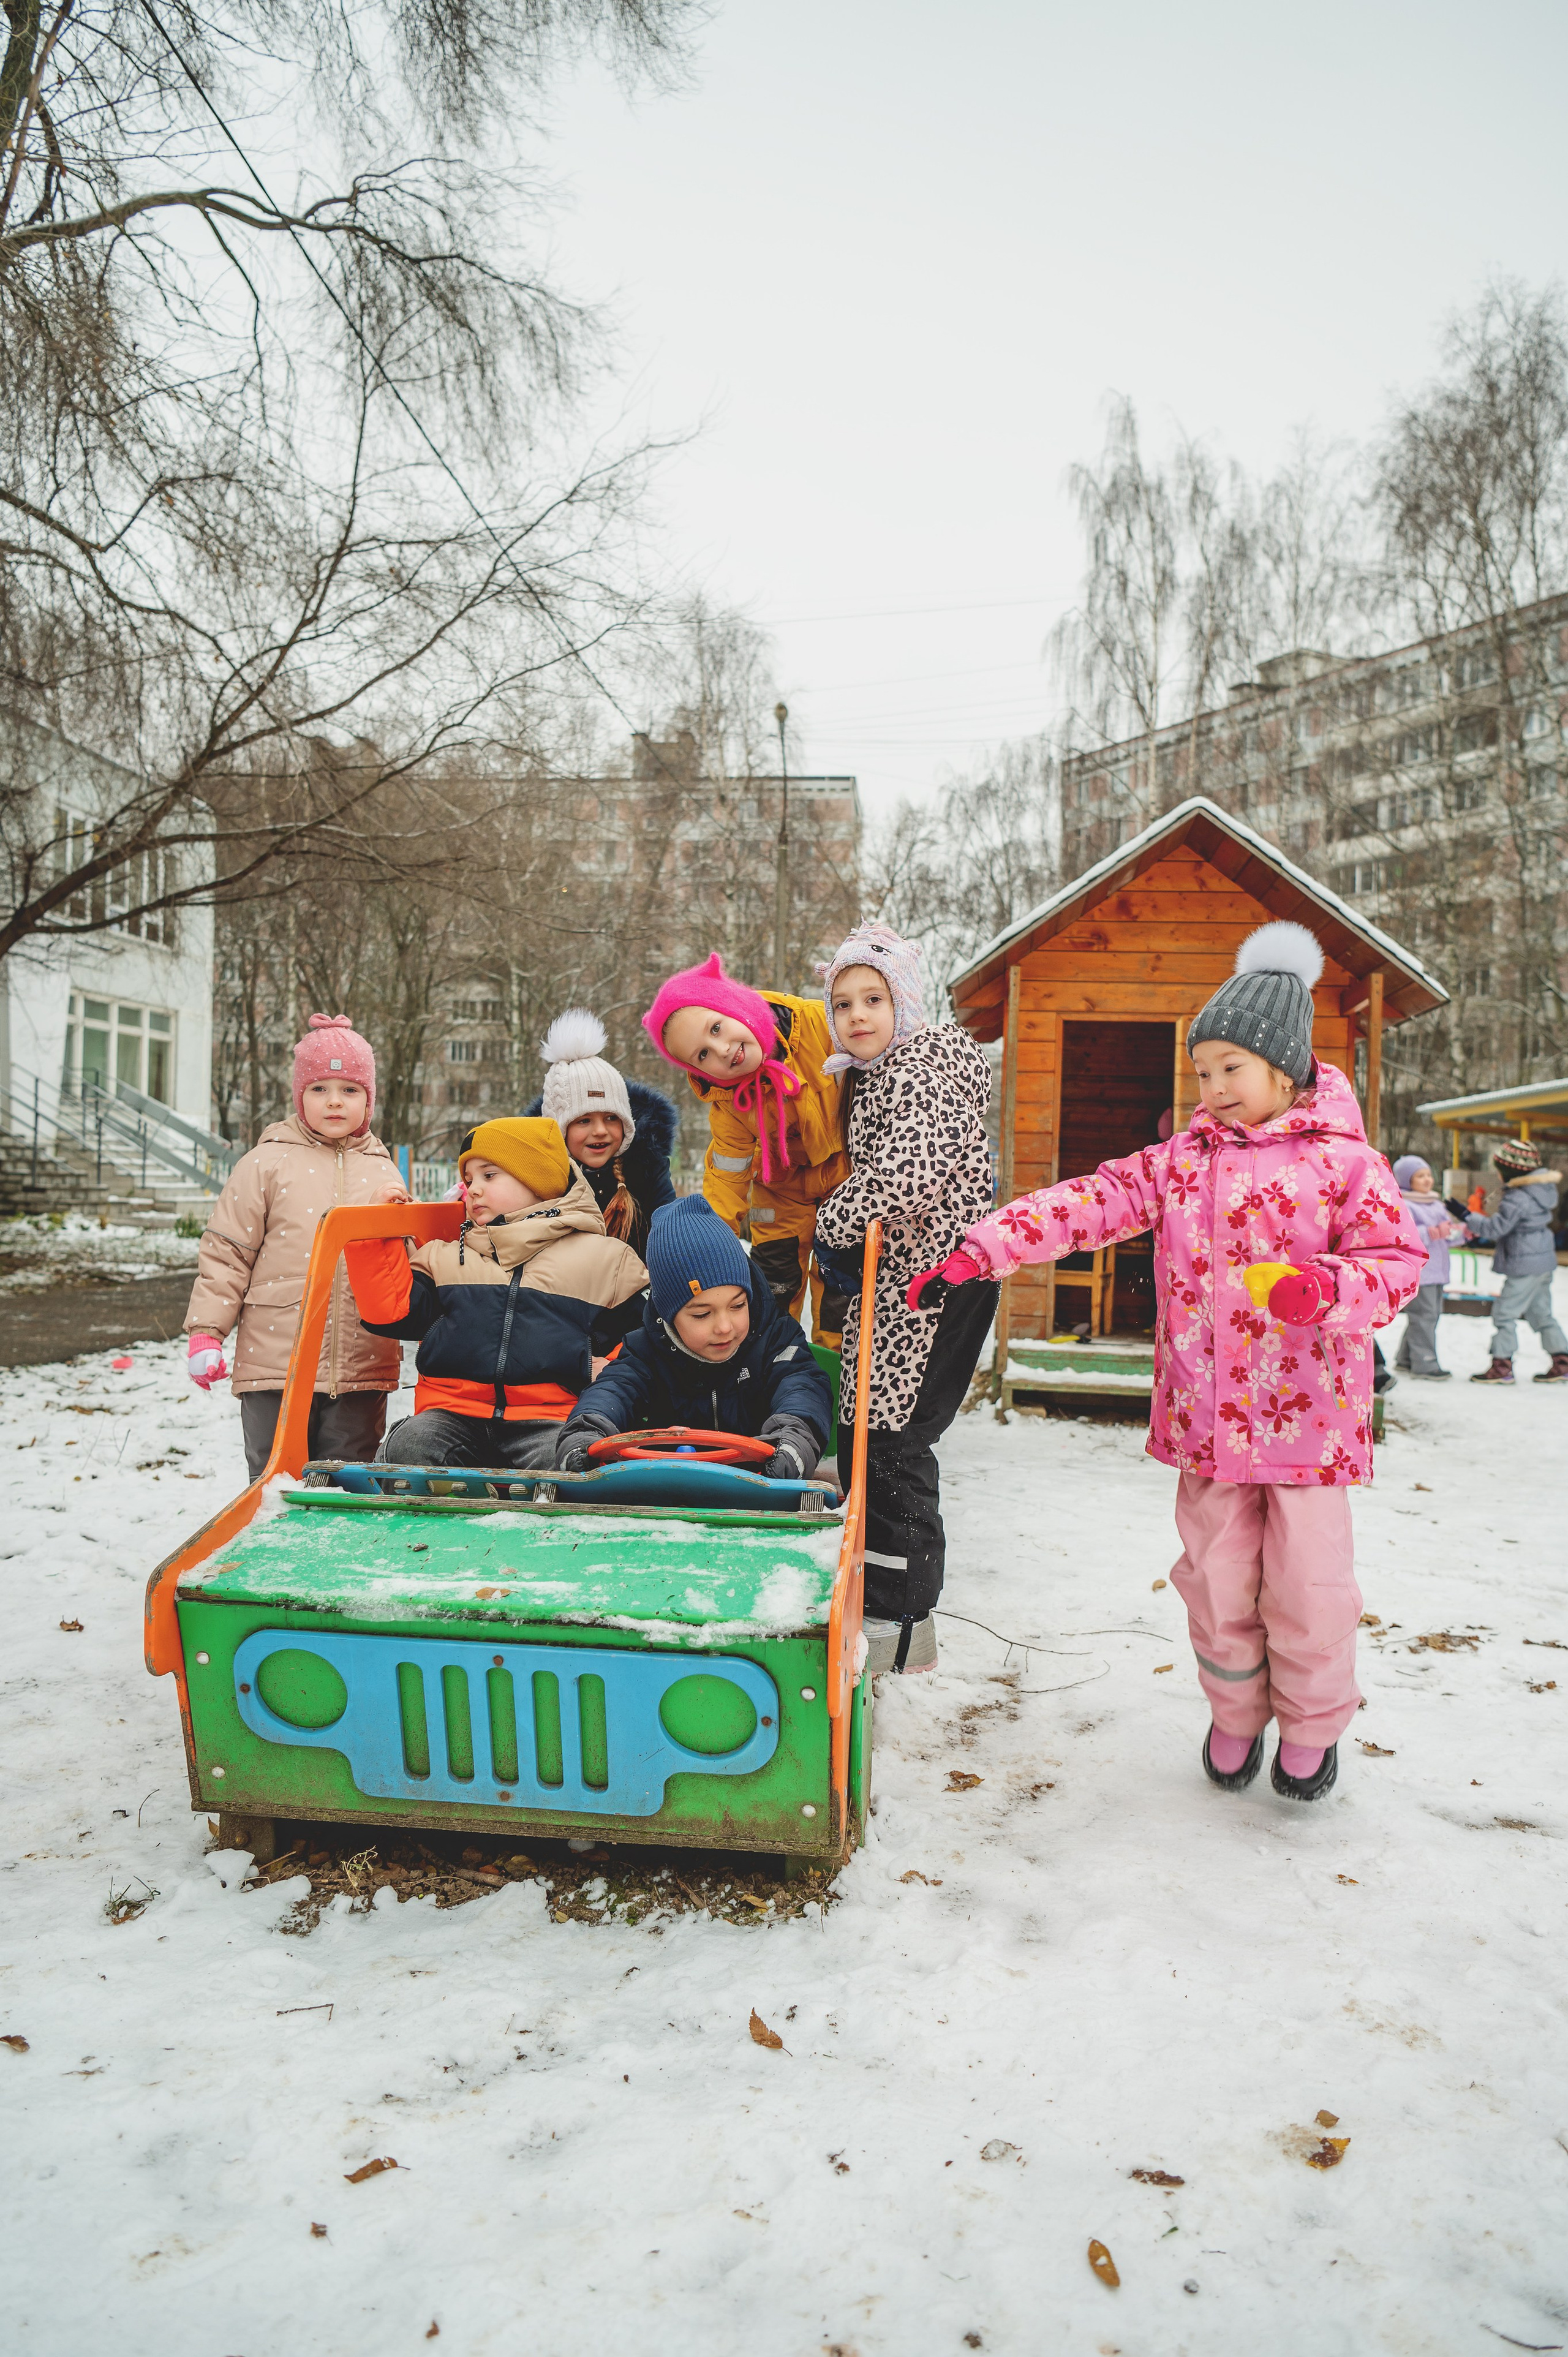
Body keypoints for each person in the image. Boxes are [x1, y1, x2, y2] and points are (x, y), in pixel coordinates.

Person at [910, 922, 1425, 1802]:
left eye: (1232, 1068)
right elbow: (1089, 1201)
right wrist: (982, 1247)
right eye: (1202, 1072)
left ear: (1286, 1068)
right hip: (1208, 1425)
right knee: (1217, 1586)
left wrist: (1321, 1288)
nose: (1214, 1088)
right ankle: (1234, 1716)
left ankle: (1311, 1727)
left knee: (1310, 1589)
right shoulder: (1181, 1165)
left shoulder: (1348, 1164)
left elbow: (1395, 1265)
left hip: (1309, 1425)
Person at [810, 921, 997, 1675]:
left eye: (873, 997)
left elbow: (913, 1169)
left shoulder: (924, 1059)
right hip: (898, 1281)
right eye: (844, 1002)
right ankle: (878, 1596)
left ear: (905, 1001)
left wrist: (834, 1222)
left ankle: (906, 1617)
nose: (857, 1015)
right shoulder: (878, 1069)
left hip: (937, 1277)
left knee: (890, 1442)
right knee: (862, 1434)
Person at [342, 1117, 648, 1469]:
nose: (472, 1189)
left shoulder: (604, 1260)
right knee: (413, 1445)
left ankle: (538, 1499)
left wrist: (603, 1368)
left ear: (539, 1181)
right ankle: (448, 1493)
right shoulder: (448, 1256)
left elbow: (635, 1351)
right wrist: (377, 1231)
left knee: (566, 1459)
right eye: (469, 1179)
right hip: (453, 1416)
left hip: (550, 1418)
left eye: (489, 1176)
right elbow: (390, 1314)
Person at [184, 1013, 408, 1482]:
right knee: (275, 1479)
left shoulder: (383, 1169)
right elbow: (228, 1250)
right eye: (319, 1089)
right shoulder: (266, 1162)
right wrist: (207, 1330)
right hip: (276, 1362)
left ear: (368, 1099)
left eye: (349, 1090)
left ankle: (341, 1553)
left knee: (349, 1479)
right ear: (298, 1095)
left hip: (362, 1360)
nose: (334, 1102)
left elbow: (400, 1255)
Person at [641, 952, 848, 1343]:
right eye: (702, 1055)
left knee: (841, 1289)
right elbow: (726, 1172)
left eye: (716, 1028)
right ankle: (773, 1364)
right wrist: (710, 1236)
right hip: (781, 1191)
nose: (720, 1050)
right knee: (773, 1286)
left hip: (849, 1179)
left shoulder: (822, 1027)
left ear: (735, 1006)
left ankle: (839, 1376)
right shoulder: (727, 1103)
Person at [554, 1194, 832, 1479]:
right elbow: (613, 1390)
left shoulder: (776, 1340)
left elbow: (802, 1387)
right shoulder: (646, 1352)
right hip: (672, 1485)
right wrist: (585, 1434)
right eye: (702, 1315)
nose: (725, 1327)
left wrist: (793, 1440)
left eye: (738, 1306)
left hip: (760, 1478)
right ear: (670, 1316)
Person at [524, 1008, 678, 1248]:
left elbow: (669, 1230)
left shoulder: (647, 1170)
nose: (600, 1131)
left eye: (611, 1118)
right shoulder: (534, 1177)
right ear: (559, 1130)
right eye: (584, 1121)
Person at [1459, 1138, 1567, 1384]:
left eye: (1498, 1168)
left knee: (1505, 1314)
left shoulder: (1518, 1197)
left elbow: (1496, 1228)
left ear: (1509, 1170)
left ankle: (1501, 1366)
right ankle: (1563, 1362)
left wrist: (1467, 1215)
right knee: (1542, 1314)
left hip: (1525, 1262)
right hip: (1542, 1260)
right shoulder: (1541, 1191)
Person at [1391, 1155, 1460, 1379]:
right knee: (1425, 1316)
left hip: (1438, 1272)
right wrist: (1430, 1232)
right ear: (1406, 1180)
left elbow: (1445, 1235)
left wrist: (1460, 1233)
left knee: (1429, 1315)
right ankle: (1425, 1363)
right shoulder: (1404, 1204)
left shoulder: (1436, 1204)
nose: (1427, 1180)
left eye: (1429, 1175)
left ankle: (1406, 1358)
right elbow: (1402, 1235)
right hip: (1422, 1272)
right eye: (1420, 1176)